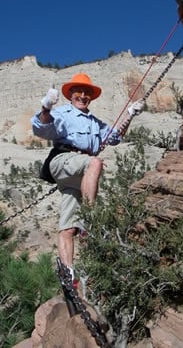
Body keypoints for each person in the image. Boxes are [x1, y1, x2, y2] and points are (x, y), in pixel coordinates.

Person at [31, 73, 145, 281]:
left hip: (79, 175)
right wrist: (46, 106)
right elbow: (41, 128)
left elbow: (114, 138)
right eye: (79, 92)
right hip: (63, 160)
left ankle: (68, 272)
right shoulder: (63, 113)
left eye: (87, 93)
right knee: (95, 162)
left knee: (68, 227)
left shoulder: (95, 123)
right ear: (71, 95)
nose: (83, 96)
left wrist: (130, 115)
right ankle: (91, 219)